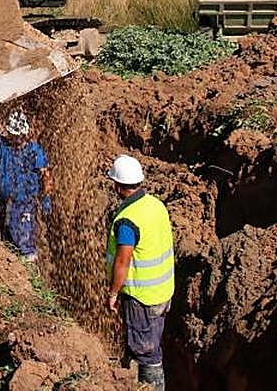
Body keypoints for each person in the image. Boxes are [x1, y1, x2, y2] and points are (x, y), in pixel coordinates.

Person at [105, 154, 174, 391]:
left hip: (142, 297)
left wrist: (113, 293)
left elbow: (123, 261)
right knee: (151, 343)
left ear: (117, 185)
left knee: (147, 352)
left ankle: (151, 387)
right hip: (163, 291)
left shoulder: (127, 221)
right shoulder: (156, 205)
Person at [0, 102, 53, 261]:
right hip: (5, 203)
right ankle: (11, 267)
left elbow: (46, 175)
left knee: (25, 241)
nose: (15, 138)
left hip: (25, 203)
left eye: (18, 135)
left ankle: (28, 268)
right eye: (13, 135)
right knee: (7, 240)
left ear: (24, 133)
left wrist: (46, 196)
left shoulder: (34, 150)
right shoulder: (3, 146)